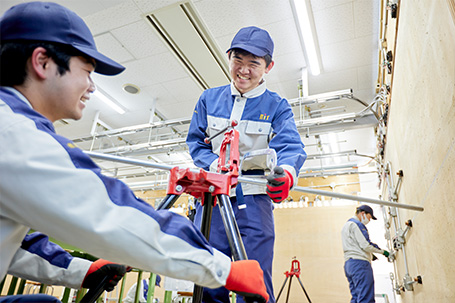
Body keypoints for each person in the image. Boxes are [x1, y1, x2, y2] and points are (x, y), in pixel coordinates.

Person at [0, 2, 269, 303]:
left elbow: (14, 243)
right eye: (87, 72)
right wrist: (220, 267)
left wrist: (81, 271)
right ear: (43, 62)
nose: (90, 87)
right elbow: (104, 208)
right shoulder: (15, 133)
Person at [186, 26, 307, 302]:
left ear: (268, 66)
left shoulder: (277, 106)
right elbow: (196, 142)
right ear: (228, 57)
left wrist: (286, 174)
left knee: (254, 281)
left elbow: (290, 145)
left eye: (254, 63)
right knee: (208, 278)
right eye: (238, 60)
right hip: (213, 201)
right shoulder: (208, 99)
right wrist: (214, 164)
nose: (244, 70)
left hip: (254, 200)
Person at [341, 205, 390, 303]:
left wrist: (372, 256)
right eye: (369, 217)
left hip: (349, 265)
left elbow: (356, 245)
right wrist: (383, 252)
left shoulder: (346, 226)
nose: (369, 220)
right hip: (360, 264)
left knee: (356, 297)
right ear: (362, 213)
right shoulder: (357, 225)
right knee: (366, 298)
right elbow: (366, 245)